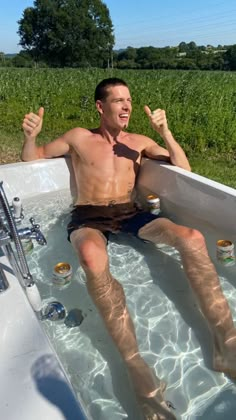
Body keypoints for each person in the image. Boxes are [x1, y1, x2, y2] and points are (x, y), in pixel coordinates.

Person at [22, 77, 236, 420]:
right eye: (119, 100)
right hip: (88, 214)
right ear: (100, 106)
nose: (127, 106)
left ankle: (226, 341)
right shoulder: (79, 137)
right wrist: (31, 137)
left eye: (129, 100)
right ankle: (136, 368)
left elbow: (185, 170)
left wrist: (165, 133)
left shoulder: (139, 142)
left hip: (130, 212)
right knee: (91, 258)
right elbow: (33, 163)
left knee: (192, 238)